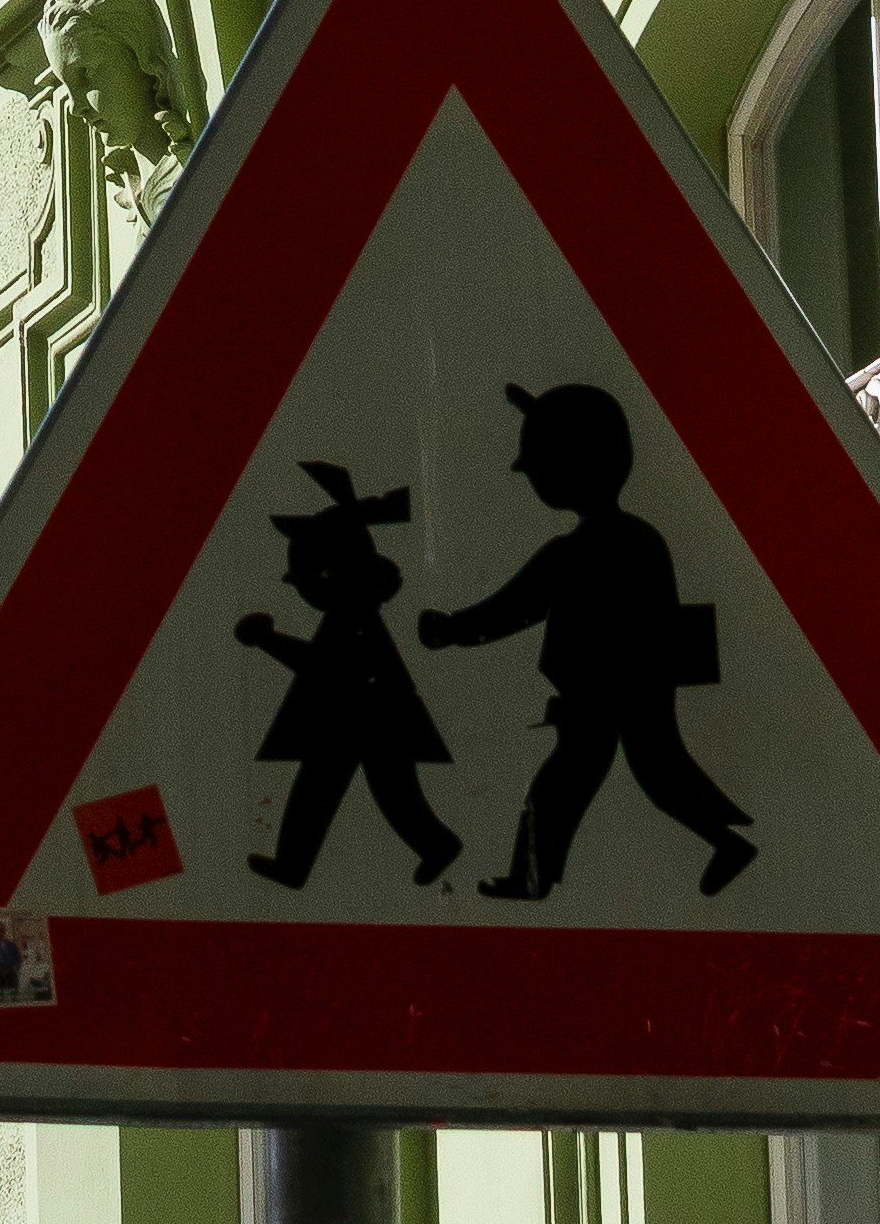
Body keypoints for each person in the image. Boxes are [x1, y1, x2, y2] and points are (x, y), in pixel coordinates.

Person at [418, 381, 755, 899]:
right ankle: (722, 841)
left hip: (608, 694)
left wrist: (453, 630)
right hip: (619, 692)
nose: (526, 473)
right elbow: (522, 605)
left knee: (580, 785)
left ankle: (534, 879)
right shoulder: (637, 540)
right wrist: (458, 630)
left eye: (537, 458)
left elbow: (516, 607)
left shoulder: (586, 549)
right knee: (646, 776)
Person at [234, 462, 463, 888]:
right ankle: (295, 865)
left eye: (310, 578)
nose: (305, 589)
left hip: (367, 719)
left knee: (386, 794)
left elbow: (320, 665)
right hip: (353, 718)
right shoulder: (351, 616)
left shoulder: (351, 620)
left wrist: (268, 640)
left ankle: (435, 845)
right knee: (328, 792)